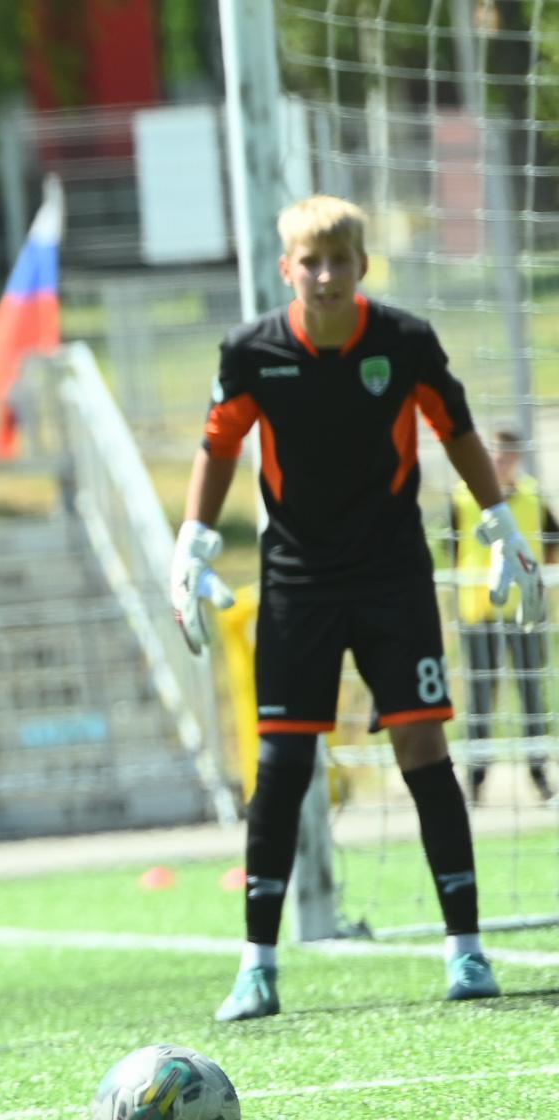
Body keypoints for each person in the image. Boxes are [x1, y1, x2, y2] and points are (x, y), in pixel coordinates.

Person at [170, 194, 544, 1021]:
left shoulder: (404, 342)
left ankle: (466, 949)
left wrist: (500, 523)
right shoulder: (251, 351)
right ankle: (258, 966)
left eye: (340, 259)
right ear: (287, 270)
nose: (326, 274)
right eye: (311, 261)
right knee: (282, 764)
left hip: (391, 577)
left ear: (362, 266)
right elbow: (219, 444)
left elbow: (457, 429)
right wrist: (192, 539)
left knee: (423, 747)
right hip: (297, 584)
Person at [449, 431, 558, 804]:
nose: (500, 463)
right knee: (480, 696)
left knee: (531, 692)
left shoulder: (533, 498)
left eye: (507, 456)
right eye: (495, 455)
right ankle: (475, 780)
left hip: (525, 612)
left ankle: (539, 775)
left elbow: (552, 546)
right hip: (479, 612)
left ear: (517, 459)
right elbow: (451, 551)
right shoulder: (462, 498)